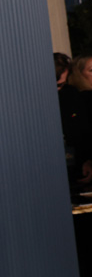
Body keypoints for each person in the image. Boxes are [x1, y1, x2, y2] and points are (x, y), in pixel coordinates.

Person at [60, 55, 92, 186]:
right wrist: (87, 159)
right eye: (91, 70)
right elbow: (80, 133)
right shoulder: (80, 99)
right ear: (79, 74)